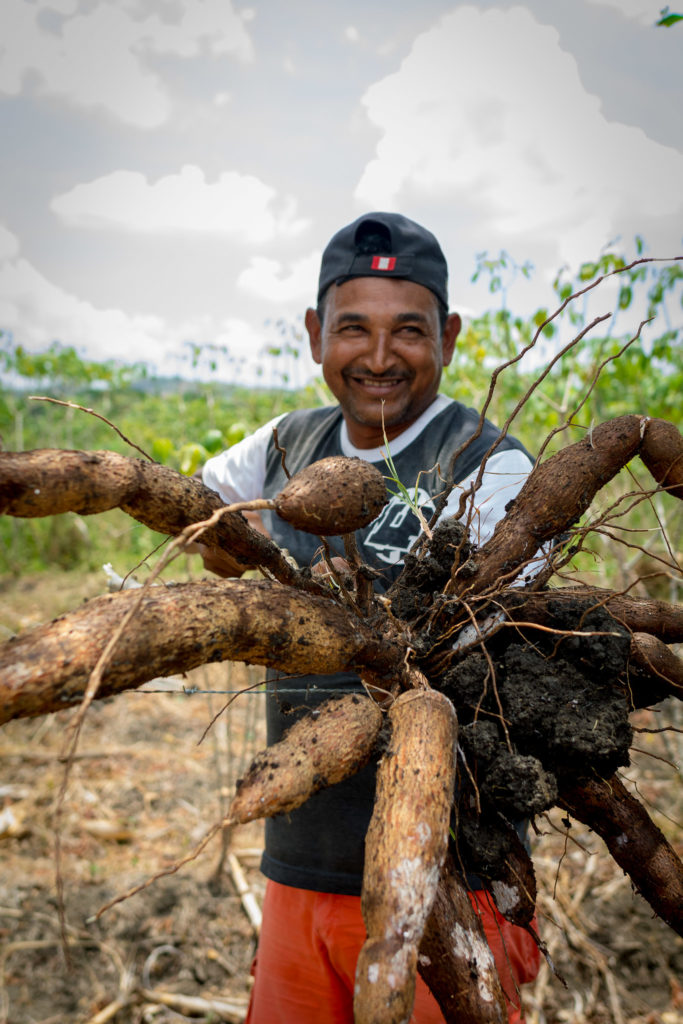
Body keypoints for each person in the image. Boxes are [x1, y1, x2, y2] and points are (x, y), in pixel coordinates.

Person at [199, 213, 541, 1023]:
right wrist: (244, 556)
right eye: (353, 329)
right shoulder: (284, 446)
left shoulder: (488, 465)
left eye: (408, 332)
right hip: (302, 863)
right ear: (317, 334)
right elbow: (206, 515)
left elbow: (484, 646)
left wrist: (356, 619)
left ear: (448, 337)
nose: (379, 358)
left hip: (444, 881)